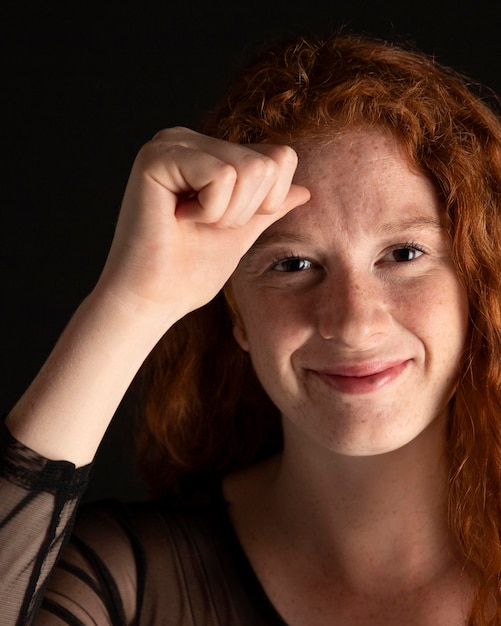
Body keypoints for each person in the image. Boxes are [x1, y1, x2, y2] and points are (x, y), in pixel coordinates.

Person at [2, 31, 501, 626]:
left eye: (404, 254)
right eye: (293, 265)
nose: (353, 323)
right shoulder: (126, 581)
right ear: (236, 315)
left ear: (477, 279)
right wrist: (133, 300)